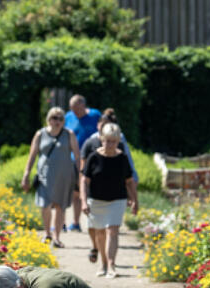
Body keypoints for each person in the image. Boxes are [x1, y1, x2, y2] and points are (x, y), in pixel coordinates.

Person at [78, 108, 137, 264]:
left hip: (117, 198)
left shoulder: (122, 156)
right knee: (98, 232)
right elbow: (84, 177)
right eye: (106, 140)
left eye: (113, 141)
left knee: (112, 230)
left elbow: (129, 179)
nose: (109, 144)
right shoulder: (91, 148)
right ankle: (99, 254)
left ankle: (111, 264)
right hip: (96, 197)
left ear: (118, 141)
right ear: (101, 138)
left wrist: (133, 199)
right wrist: (83, 200)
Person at [21, 107, 80, 248]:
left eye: (60, 118)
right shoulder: (40, 134)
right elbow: (32, 156)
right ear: (49, 119)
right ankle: (47, 233)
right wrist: (26, 174)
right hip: (44, 175)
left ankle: (57, 237)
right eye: (55, 118)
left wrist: (80, 175)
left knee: (60, 206)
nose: (57, 121)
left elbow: (77, 156)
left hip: (64, 176)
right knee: (45, 204)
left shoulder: (69, 134)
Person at [64, 95, 100, 231]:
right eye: (72, 109)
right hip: (73, 160)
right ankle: (75, 222)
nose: (75, 113)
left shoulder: (95, 115)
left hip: (93, 160)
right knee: (75, 193)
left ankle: (96, 223)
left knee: (93, 191)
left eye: (77, 109)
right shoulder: (68, 116)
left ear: (83, 105)